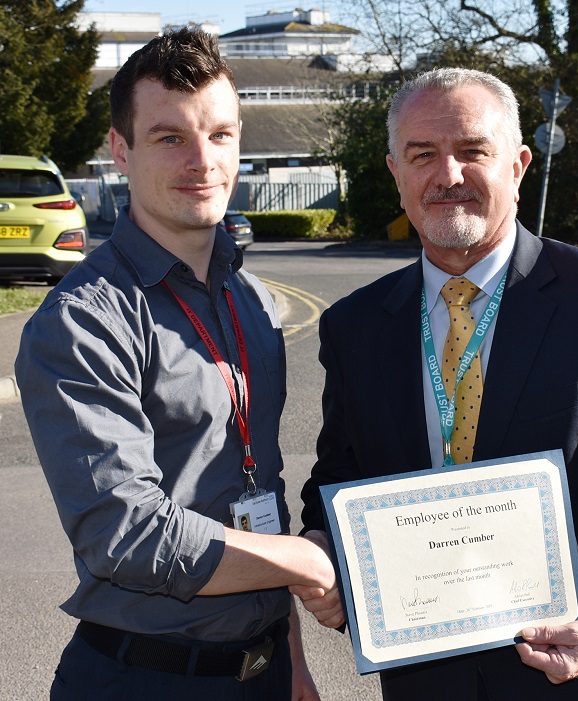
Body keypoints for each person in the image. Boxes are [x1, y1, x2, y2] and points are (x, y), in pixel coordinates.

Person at [298, 67, 578, 700]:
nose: (447, 176)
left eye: (473, 151)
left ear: (520, 165)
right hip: (430, 683)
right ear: (396, 173)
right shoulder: (356, 326)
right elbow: (339, 479)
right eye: (423, 155)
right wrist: (324, 552)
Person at [15, 28, 337, 701]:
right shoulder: (83, 320)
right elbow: (124, 531)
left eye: (220, 135)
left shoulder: (252, 300)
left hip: (263, 672)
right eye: (171, 137)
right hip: (143, 678)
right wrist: (304, 561)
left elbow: (259, 493)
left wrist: (291, 655)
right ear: (120, 151)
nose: (202, 159)